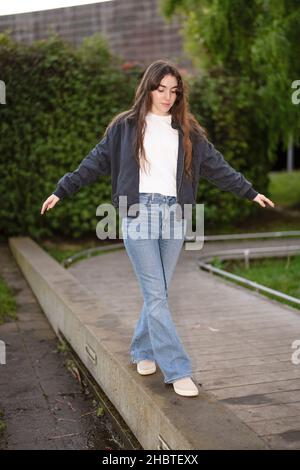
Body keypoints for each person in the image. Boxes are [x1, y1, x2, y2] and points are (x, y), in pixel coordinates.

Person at [41, 59, 275, 397]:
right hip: (138, 213)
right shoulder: (125, 127)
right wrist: (62, 189)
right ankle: (178, 370)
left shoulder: (188, 131)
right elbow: (94, 162)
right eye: (160, 88)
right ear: (147, 87)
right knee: (156, 294)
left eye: (173, 91)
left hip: (176, 216)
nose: (167, 96)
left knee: (159, 293)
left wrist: (250, 191)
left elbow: (216, 166)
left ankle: (142, 350)